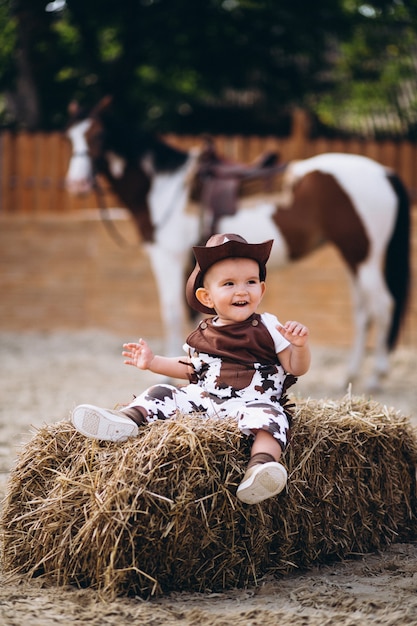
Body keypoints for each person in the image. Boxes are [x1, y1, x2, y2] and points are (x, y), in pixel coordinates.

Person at [72, 233, 310, 505]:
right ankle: (126, 420)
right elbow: (191, 368)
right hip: (205, 400)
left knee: (272, 420)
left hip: (252, 403)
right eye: (229, 283)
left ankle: (260, 468)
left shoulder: (269, 326)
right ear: (206, 297)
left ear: (262, 289)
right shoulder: (204, 333)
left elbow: (295, 367)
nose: (242, 290)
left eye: (251, 282)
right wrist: (153, 362)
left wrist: (299, 347)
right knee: (161, 392)